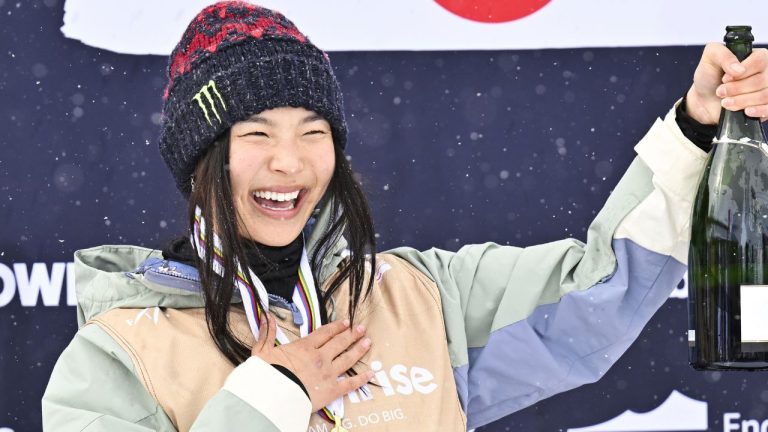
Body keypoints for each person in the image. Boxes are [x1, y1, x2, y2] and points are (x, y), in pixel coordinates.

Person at [42, 2, 768, 431]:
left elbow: (599, 291)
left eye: (313, 132)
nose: (289, 162)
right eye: (256, 134)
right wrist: (269, 400)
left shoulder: (419, 298)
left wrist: (697, 127)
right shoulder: (118, 352)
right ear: (202, 160)